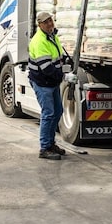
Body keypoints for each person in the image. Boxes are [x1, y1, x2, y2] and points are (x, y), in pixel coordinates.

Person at [26, 11, 69, 160]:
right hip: (42, 82)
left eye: (50, 20)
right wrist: (64, 76)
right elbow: (47, 68)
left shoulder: (52, 37)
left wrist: (66, 66)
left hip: (52, 82)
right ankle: (44, 148)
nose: (50, 24)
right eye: (46, 22)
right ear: (40, 24)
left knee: (58, 111)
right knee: (49, 113)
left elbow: (59, 58)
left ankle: (51, 144)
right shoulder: (38, 41)